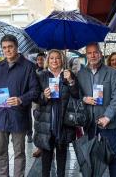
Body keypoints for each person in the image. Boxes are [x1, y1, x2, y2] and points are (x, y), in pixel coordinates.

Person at [0, 34, 40, 177]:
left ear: (16, 47)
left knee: (19, 153)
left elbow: (35, 91)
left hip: (18, 116)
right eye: (4, 48)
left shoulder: (28, 66)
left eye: (10, 47)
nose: (7, 50)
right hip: (0, 116)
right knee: (1, 152)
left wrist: (21, 99)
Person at [77, 43, 116, 176]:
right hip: (89, 123)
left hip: (107, 123)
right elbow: (76, 95)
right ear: (86, 55)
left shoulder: (111, 72)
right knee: (91, 157)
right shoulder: (81, 73)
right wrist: (84, 99)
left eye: (95, 52)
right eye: (89, 53)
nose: (93, 55)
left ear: (101, 54)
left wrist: (107, 117)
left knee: (112, 156)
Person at [33, 49, 78, 177]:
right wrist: (44, 96)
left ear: (62, 60)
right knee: (46, 157)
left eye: (57, 58)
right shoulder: (41, 75)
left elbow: (76, 95)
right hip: (46, 121)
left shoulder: (68, 74)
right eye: (51, 58)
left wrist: (71, 81)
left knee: (62, 156)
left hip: (63, 121)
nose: (54, 60)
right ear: (48, 60)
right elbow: (35, 96)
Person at [32, 52, 46, 157]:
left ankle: (50, 148)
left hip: (48, 102)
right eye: (38, 59)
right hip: (38, 103)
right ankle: (39, 147)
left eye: (42, 59)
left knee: (47, 128)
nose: (40, 61)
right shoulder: (35, 72)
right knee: (38, 127)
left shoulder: (49, 72)